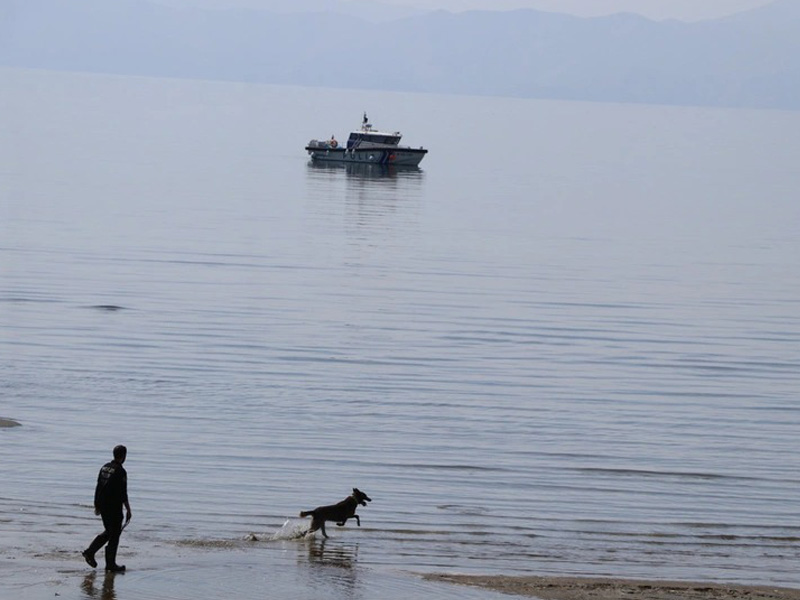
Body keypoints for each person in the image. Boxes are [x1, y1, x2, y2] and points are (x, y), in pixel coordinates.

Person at [82, 445, 132, 573]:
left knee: (110, 532)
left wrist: (96, 504)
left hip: (103, 505)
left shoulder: (104, 467)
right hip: (113, 507)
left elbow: (98, 486)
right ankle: (108, 563)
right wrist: (128, 509)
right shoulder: (121, 471)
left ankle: (92, 553)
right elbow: (123, 492)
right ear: (124, 456)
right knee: (114, 534)